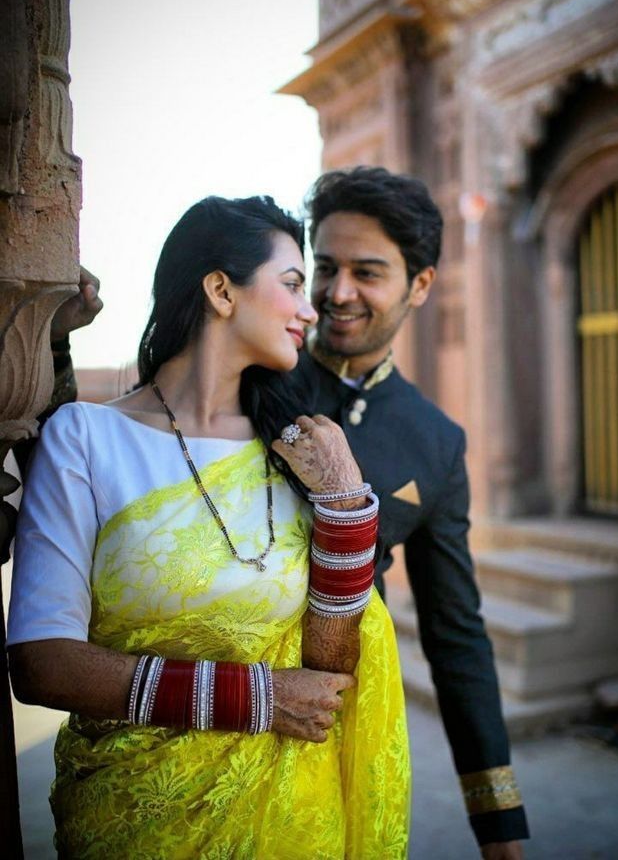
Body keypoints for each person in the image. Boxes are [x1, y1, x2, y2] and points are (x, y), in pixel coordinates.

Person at [7, 196, 410, 858]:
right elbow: (42, 665)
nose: (311, 310)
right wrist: (257, 699)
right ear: (221, 290)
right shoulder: (86, 438)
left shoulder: (300, 451)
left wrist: (344, 503)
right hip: (133, 821)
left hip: (290, 822)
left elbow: (329, 674)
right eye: (291, 284)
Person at [299, 167, 529, 859]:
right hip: (213, 699)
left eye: (367, 272)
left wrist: (500, 827)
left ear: (419, 285)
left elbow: (455, 636)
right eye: (325, 267)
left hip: (339, 723)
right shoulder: (254, 383)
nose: (338, 293)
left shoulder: (434, 442)